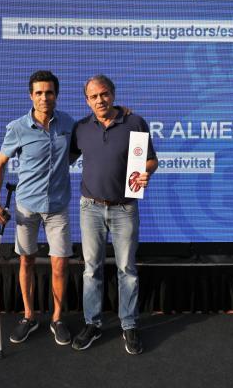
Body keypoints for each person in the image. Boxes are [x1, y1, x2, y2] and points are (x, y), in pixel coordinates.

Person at [70, 75, 158, 355]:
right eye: (93, 96)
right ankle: (92, 324)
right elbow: (64, 157)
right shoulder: (81, 128)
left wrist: (148, 172)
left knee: (127, 270)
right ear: (87, 100)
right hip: (90, 208)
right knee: (91, 268)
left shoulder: (134, 123)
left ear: (113, 94)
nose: (100, 100)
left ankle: (129, 325)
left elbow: (151, 159)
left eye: (104, 94)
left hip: (125, 208)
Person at [0, 70, 74, 346]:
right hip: (26, 206)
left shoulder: (69, 124)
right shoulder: (17, 128)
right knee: (26, 260)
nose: (44, 97)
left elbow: (91, 135)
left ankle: (57, 318)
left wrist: (122, 110)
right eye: (38, 92)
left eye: (49, 92)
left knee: (59, 264)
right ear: (31, 96)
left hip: (58, 207)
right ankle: (29, 316)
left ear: (56, 95)